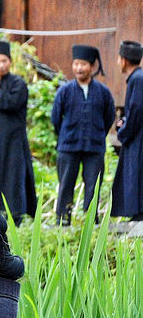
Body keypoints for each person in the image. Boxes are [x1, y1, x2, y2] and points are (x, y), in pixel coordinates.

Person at [51, 45, 115, 224]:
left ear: (92, 67)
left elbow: (109, 117)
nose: (79, 68)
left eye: (83, 64)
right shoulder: (64, 90)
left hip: (94, 147)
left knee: (93, 186)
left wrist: (98, 133)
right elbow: (55, 118)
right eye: (76, 64)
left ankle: (90, 221)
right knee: (65, 184)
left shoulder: (103, 92)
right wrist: (64, 135)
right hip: (68, 146)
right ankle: (63, 220)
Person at [0, 40, 36, 224]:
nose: (1, 65)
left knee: (14, 176)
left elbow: (12, 104)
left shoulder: (18, 83)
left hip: (14, 139)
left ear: (10, 61)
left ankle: (15, 216)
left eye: (4, 61)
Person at [111, 40, 143, 221]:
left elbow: (137, 109)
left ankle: (138, 214)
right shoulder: (137, 78)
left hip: (137, 138)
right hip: (136, 135)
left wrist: (124, 132)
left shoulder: (137, 79)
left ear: (123, 60)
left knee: (136, 173)